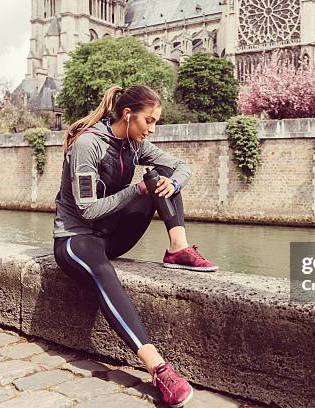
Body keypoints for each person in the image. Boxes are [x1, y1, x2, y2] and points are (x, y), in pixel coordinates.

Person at [52, 84, 218, 408]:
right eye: (149, 121)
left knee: (161, 179)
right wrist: (136, 190)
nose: (152, 129)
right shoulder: (88, 145)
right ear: (127, 115)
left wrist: (171, 183)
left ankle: (178, 248)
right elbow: (87, 209)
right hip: (75, 240)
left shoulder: (133, 142)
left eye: (156, 121)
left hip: (108, 236)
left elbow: (182, 166)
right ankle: (158, 368)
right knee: (102, 270)